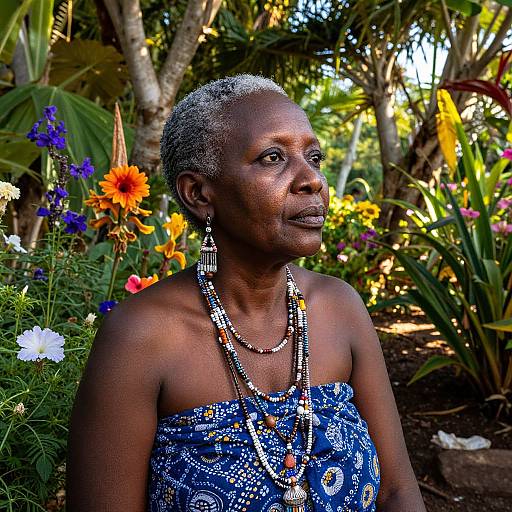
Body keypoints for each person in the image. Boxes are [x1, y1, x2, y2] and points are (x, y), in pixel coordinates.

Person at [66, 74, 426, 512]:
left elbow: (397, 492)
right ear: (199, 193)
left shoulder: (340, 309)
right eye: (273, 157)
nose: (311, 178)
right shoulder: (141, 339)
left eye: (314, 157)